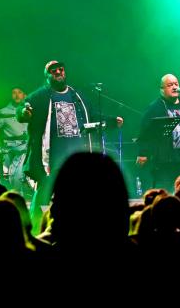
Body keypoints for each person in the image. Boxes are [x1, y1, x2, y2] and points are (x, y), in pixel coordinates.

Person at [17, 60, 123, 226]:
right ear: (47, 76)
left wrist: (111, 121)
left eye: (61, 69)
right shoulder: (40, 96)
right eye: (53, 71)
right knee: (44, 192)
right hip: (51, 157)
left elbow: (92, 115)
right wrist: (24, 113)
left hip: (76, 156)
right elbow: (22, 110)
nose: (58, 72)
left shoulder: (77, 96)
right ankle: (35, 228)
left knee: (77, 194)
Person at [0, 86, 30, 194]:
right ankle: (14, 194)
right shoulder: (3, 112)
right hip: (9, 149)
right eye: (14, 93)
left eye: (19, 92)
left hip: (26, 147)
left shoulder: (29, 110)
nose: (17, 95)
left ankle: (20, 193)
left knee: (18, 173)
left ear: (24, 95)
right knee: (12, 174)